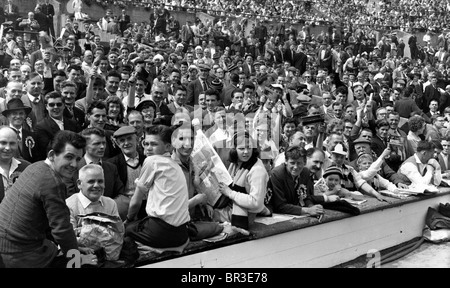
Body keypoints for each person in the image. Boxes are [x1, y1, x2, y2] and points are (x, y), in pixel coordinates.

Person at [0, 130, 97, 268]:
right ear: (52, 155)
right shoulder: (52, 181)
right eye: (69, 157)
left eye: (78, 159)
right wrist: (77, 259)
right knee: (88, 264)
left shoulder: (35, 166)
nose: (74, 165)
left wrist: (72, 246)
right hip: (19, 255)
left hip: (12, 246)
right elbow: (62, 230)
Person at [125, 124, 191, 250]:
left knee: (125, 231)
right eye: (146, 143)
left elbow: (135, 203)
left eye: (154, 144)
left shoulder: (152, 160)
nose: (148, 148)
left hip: (162, 232)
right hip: (181, 234)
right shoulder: (175, 164)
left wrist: (128, 220)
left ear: (167, 146)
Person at [218, 131, 269, 229]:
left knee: (208, 217)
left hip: (247, 214)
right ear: (234, 150)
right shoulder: (236, 162)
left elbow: (256, 202)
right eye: (241, 148)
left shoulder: (257, 170)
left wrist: (229, 193)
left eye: (249, 148)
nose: (246, 152)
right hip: (232, 206)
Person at [65, 164, 121, 252]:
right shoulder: (69, 205)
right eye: (91, 181)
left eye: (100, 181)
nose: (96, 185)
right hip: (77, 254)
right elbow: (68, 239)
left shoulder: (110, 203)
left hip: (108, 253)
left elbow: (117, 234)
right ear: (79, 184)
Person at [268, 145, 337, 217]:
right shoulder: (277, 174)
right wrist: (308, 210)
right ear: (286, 161)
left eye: (299, 163)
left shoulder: (305, 172)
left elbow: (305, 197)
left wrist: (313, 207)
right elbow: (280, 206)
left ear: (304, 162)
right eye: (292, 163)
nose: (295, 167)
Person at [107, 126, 146, 221]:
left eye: (129, 139)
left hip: (147, 205)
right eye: (122, 140)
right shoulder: (112, 164)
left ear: (137, 140)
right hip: (125, 208)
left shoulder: (146, 160)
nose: (126, 143)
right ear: (117, 143)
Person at [0, 126, 30, 203]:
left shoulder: (27, 168)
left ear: (17, 144)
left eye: (12, 143)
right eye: (3, 143)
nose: (7, 148)